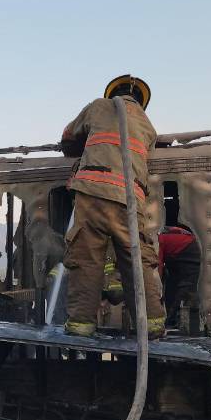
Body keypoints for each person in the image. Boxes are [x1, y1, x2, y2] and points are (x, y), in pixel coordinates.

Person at [60, 75, 166, 339]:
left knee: (86, 258)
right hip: (130, 200)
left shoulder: (98, 106)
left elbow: (68, 139)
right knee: (136, 261)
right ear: (141, 102)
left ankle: (81, 325)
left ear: (112, 94)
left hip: (93, 193)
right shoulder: (148, 126)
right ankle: (152, 325)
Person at [158, 225, 201, 326]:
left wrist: (157, 285)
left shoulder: (157, 240)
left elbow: (157, 266)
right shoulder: (162, 235)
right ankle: (171, 318)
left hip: (189, 250)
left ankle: (174, 319)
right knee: (172, 286)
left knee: (185, 287)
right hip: (179, 253)